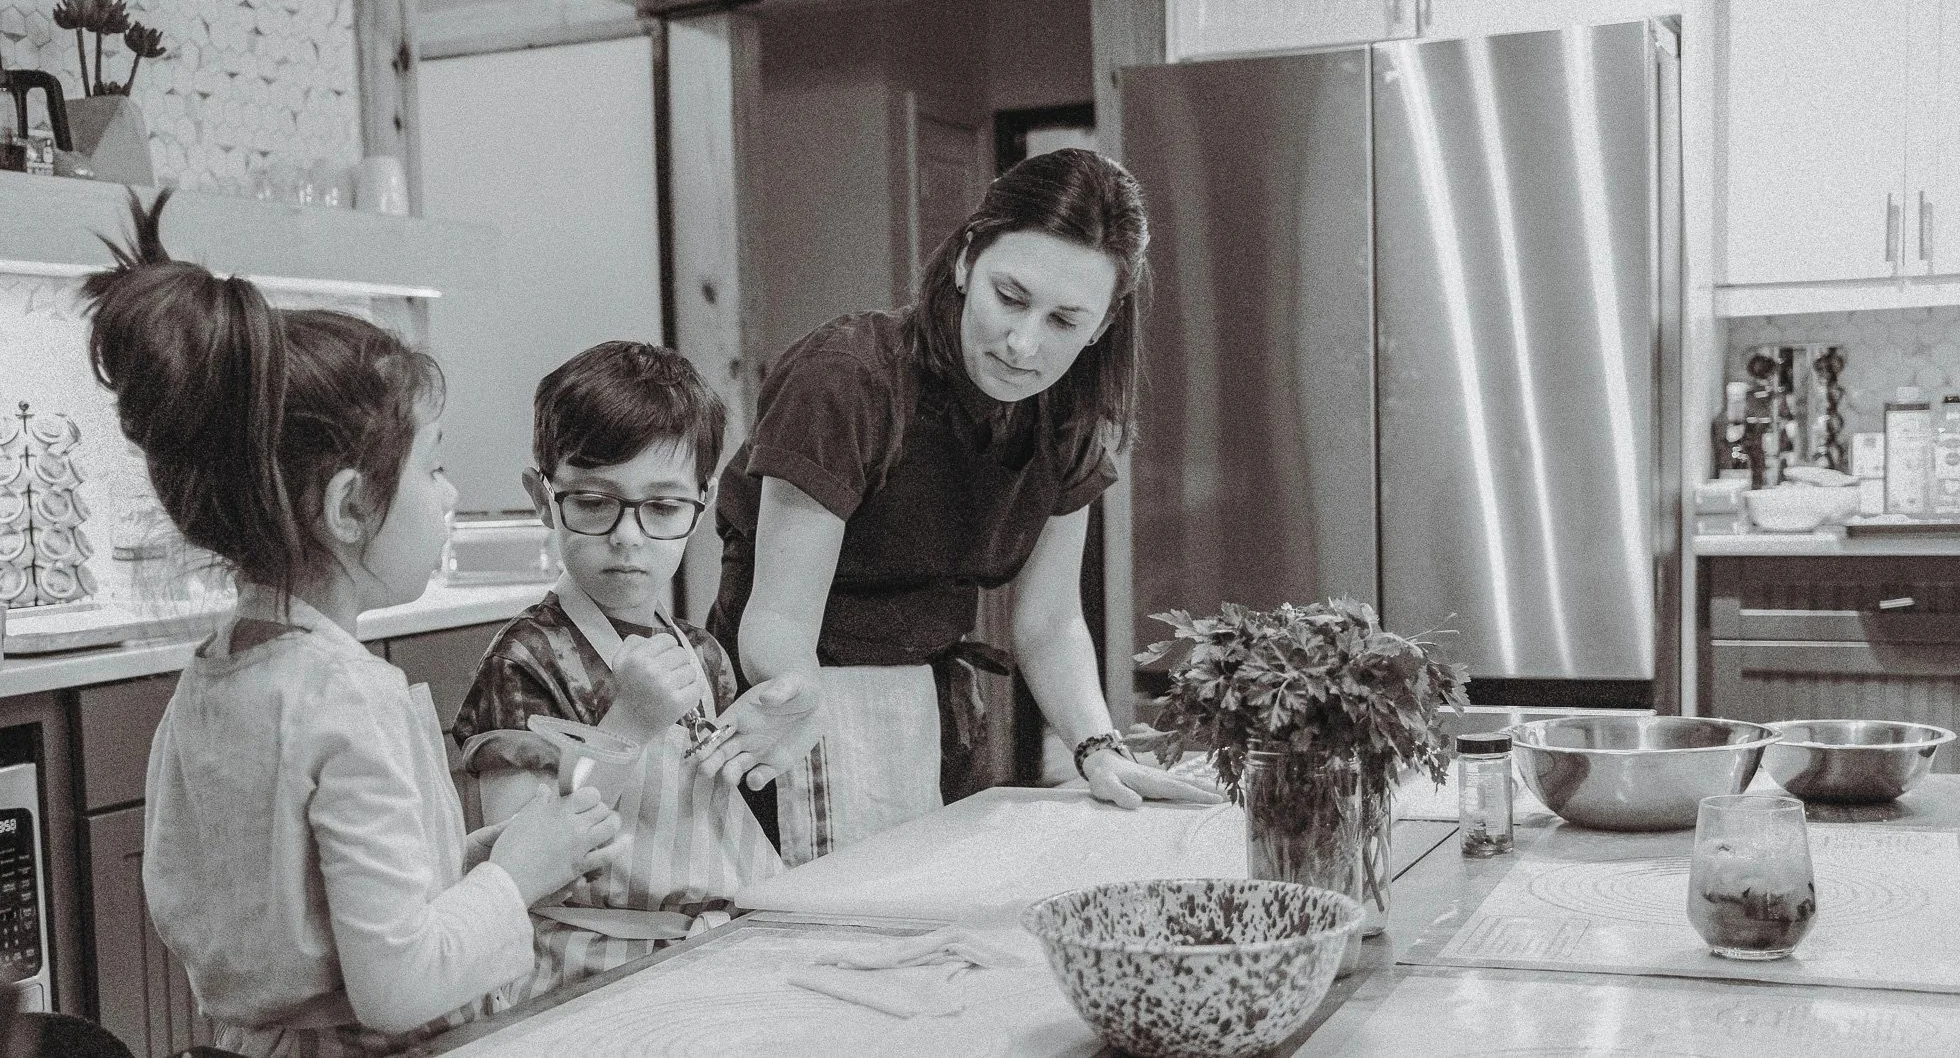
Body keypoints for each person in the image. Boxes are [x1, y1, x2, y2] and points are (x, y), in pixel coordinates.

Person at [89, 192, 622, 1056]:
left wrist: (489, 850)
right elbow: (396, 985)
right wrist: (521, 875)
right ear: (350, 505)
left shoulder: (218, 672)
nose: (450, 494)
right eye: (435, 466)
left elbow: (311, 905)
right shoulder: (346, 700)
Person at [704, 148, 1221, 865]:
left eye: (1065, 321)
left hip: (932, 714)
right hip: (788, 711)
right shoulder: (848, 380)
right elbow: (778, 617)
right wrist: (797, 699)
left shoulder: (1071, 420)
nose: (1023, 343)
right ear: (965, 261)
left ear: (1102, 326)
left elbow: (1049, 620)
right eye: (1010, 297)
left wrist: (1098, 748)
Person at [450, 341, 804, 1002]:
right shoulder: (523, 659)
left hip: (707, 956)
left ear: (700, 504)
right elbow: (523, 861)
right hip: (584, 978)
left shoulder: (702, 654)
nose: (628, 536)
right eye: (593, 501)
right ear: (542, 496)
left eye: (663, 508)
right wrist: (628, 722)